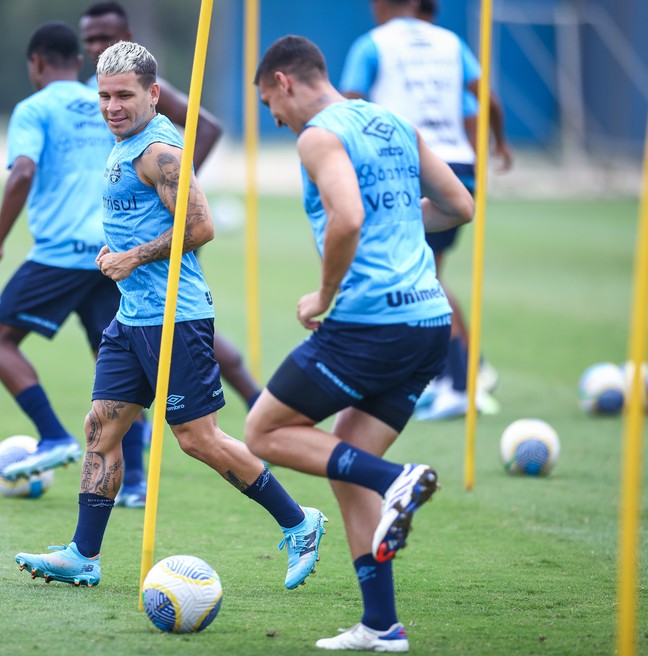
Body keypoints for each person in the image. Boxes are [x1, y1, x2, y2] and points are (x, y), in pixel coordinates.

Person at [14, 41, 325, 590]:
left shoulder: (159, 151)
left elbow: (201, 227)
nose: (112, 107)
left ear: (153, 94)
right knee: (101, 427)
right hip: (132, 317)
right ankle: (84, 555)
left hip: (174, 317)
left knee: (198, 439)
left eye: (124, 96)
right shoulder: (124, 142)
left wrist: (133, 257)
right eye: (104, 96)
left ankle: (299, 522)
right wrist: (116, 253)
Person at [245, 35, 474, 651]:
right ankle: (381, 625)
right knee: (344, 465)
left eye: (270, 104)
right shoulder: (394, 122)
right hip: (429, 323)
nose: (276, 118)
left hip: (371, 324)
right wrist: (396, 221)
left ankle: (397, 478)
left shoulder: (318, 136)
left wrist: (323, 295)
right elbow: (459, 205)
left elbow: (346, 218)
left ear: (284, 82)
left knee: (262, 431)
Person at [0, 22, 148, 498]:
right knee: (118, 365)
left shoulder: (33, 109)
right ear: (77, 61)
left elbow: (22, 172)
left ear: (35, 63)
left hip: (60, 253)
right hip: (109, 253)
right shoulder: (106, 104)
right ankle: (134, 481)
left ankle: (53, 435)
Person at [79, 1, 263, 410]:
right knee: (122, 340)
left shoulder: (144, 93)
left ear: (126, 36)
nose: (96, 46)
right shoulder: (102, 87)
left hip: (163, 233)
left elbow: (207, 127)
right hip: (128, 248)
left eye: (106, 37)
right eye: (90, 39)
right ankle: (130, 422)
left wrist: (173, 188)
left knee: (177, 327)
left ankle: (255, 400)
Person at [340, 0, 511, 420]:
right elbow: (487, 99)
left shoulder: (373, 44)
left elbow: (346, 107)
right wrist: (500, 144)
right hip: (458, 166)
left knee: (420, 275)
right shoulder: (450, 42)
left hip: (406, 163)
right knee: (427, 271)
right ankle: (459, 372)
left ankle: (462, 381)